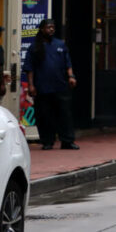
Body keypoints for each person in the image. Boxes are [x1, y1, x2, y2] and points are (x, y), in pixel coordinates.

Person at [23, 19, 78, 150]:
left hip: (60, 85)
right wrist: (31, 85)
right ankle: (47, 141)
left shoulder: (60, 45)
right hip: (42, 87)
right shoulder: (35, 47)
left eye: (53, 27)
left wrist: (71, 76)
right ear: (42, 29)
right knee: (45, 115)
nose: (51, 29)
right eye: (48, 27)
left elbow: (67, 63)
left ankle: (67, 141)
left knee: (64, 114)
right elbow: (29, 68)